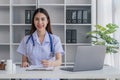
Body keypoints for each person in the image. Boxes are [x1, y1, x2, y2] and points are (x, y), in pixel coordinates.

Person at [17, 8, 64, 80]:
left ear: (47, 21)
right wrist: (24, 63)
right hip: (32, 76)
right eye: (37, 19)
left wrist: (50, 64)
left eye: (42, 19)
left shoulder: (55, 39)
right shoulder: (26, 40)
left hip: (50, 76)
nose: (39, 22)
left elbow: (59, 61)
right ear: (33, 21)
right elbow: (24, 61)